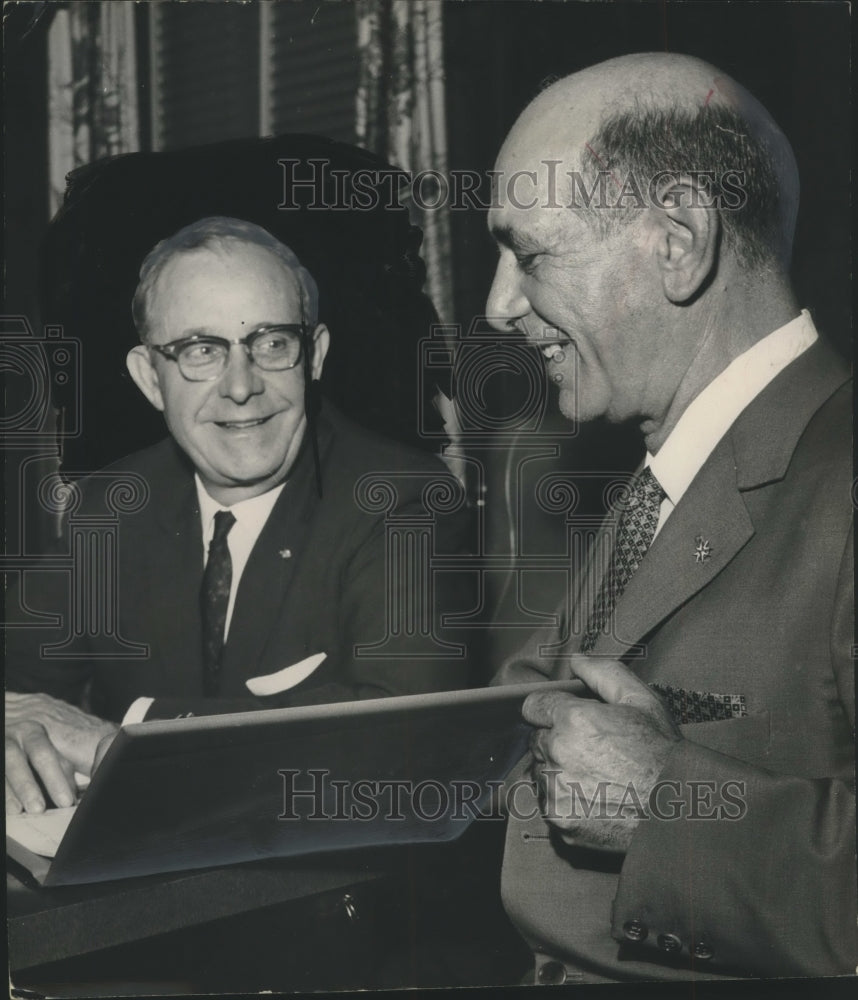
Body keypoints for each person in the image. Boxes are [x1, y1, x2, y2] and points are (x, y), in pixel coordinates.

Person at [487, 53, 855, 980]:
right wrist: (142, 765)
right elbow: (493, 734)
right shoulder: (667, 475)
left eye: (528, 252)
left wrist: (665, 805)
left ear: (680, 239)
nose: (498, 306)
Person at [6, 217, 472, 816]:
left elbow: (405, 745)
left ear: (315, 356)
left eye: (272, 344)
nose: (241, 386)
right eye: (202, 351)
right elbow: (18, 678)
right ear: (151, 378)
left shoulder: (404, 500)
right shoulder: (111, 505)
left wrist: (115, 746)